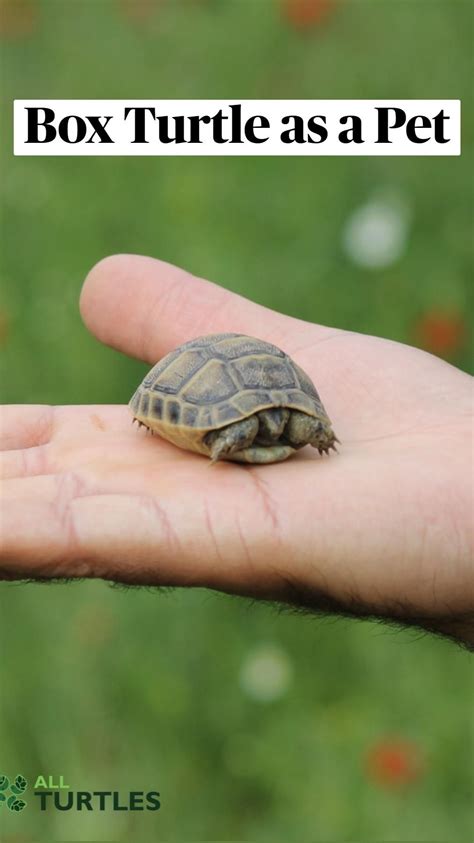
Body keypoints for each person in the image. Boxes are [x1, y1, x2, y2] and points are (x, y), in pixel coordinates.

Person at [1, 255, 472, 647]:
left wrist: (318, 431)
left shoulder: (291, 421)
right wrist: (226, 433)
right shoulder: (240, 428)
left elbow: (304, 423)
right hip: (204, 393)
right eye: (261, 424)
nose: (271, 428)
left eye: (278, 421)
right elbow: (244, 427)